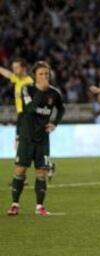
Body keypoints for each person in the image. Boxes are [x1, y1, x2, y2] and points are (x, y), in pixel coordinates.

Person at [7, 61, 65, 216]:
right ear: (35, 76)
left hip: (43, 138)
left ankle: (40, 207)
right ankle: (15, 204)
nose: (45, 76)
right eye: (41, 74)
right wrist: (41, 91)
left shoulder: (54, 93)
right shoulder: (27, 89)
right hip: (26, 137)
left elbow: (61, 109)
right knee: (20, 170)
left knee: (41, 172)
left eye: (47, 74)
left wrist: (54, 123)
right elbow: (30, 108)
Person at [0, 59, 57, 181]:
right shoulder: (18, 79)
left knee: (23, 146)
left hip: (30, 118)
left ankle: (25, 176)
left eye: (16, 68)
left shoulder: (30, 82)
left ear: (23, 68)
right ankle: (47, 166)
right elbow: (8, 74)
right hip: (21, 116)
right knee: (19, 145)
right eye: (13, 68)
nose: (14, 70)